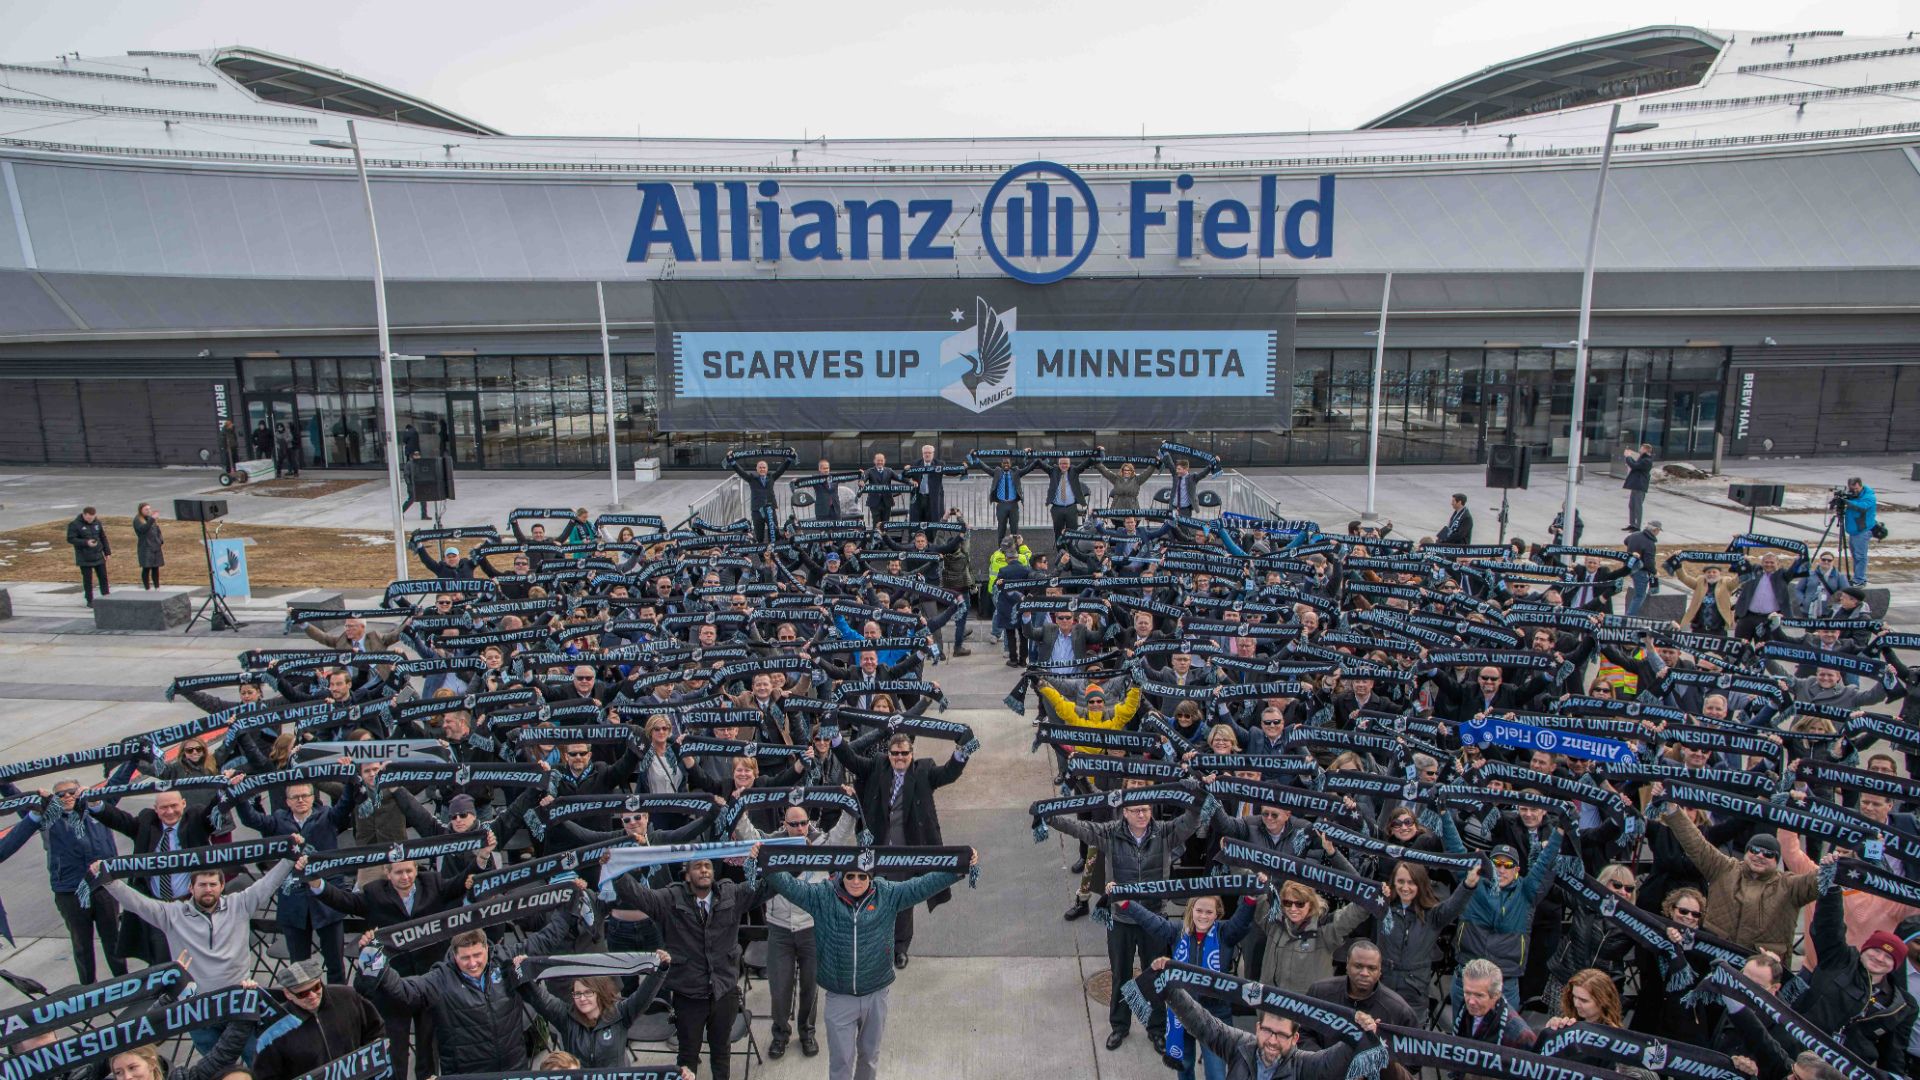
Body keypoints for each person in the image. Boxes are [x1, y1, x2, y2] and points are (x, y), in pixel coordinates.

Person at [759, 844, 975, 1080]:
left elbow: (922, 886)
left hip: (876, 995)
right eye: (850, 875)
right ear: (841, 875)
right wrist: (763, 859)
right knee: (841, 1063)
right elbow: (789, 886)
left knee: (869, 1058)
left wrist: (958, 867)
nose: (855, 881)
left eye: (862, 876)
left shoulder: (888, 894)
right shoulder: (822, 897)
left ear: (870, 877)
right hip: (839, 997)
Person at [94, 844, 306, 1056]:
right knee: (214, 1069)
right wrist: (109, 881)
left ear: (222, 886)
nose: (208, 889)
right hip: (197, 1008)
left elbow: (268, 884)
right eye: (202, 885)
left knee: (256, 1059)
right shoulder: (171, 914)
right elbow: (137, 903)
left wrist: (290, 855)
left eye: (213, 884)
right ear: (191, 888)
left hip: (239, 1001)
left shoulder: (241, 904)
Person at [1046, 781, 1205, 1051]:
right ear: (1124, 813)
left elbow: (1192, 819)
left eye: (1145, 810)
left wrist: (1198, 795)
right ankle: (1120, 1027)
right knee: (1120, 975)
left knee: (1156, 975)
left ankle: (1156, 1029)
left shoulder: (1166, 833)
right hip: (1120, 920)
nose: (1142, 815)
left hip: (1154, 919)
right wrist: (1049, 817)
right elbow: (1080, 828)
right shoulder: (1110, 833)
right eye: (1136, 810)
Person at [733, 794, 859, 1059]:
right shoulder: (771, 846)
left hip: (813, 929)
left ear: (809, 823)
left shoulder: (824, 843)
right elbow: (746, 833)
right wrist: (740, 804)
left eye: (803, 823)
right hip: (779, 929)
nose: (799, 828)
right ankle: (780, 1033)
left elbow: (847, 825)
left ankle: (807, 1031)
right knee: (779, 989)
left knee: (810, 988)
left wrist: (849, 799)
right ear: (784, 824)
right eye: (794, 824)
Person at [618, 859, 769, 1080]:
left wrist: (787, 856)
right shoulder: (670, 899)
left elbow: (770, 885)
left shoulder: (732, 894)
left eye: (708, 865)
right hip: (688, 996)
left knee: (721, 1053)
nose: (704, 870)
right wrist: (617, 871)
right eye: (697, 866)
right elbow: (639, 896)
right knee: (687, 1058)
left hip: (724, 992)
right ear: (687, 874)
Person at [835, 731, 971, 969]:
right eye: (895, 753)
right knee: (871, 897)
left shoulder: (924, 770)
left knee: (903, 900)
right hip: (876, 848)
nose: (899, 758)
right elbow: (851, 760)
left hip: (908, 850)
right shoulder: (877, 765)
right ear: (888, 754)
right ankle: (874, 946)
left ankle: (900, 948)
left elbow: (949, 772)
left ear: (912, 753)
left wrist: (964, 749)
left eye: (904, 753)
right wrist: (834, 737)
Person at [1650, 786, 1819, 960]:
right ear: (1746, 852)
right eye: (1754, 850)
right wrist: (1672, 809)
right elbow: (1696, 844)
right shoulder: (1724, 868)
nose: (1759, 856)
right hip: (1715, 961)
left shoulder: (1789, 885)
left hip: (1760, 972)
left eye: (1768, 854)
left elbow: (1819, 881)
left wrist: (1839, 863)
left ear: (1777, 862)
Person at [355, 925, 531, 1076]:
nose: (473, 963)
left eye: (477, 955)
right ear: (454, 956)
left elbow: (546, 939)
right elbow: (403, 991)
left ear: (486, 948)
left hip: (513, 1069)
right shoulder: (439, 979)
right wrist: (373, 955)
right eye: (465, 957)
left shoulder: (504, 962)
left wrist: (559, 900)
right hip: (466, 1076)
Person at [1795, 858, 1914, 1075]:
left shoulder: (1901, 1004)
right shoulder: (1839, 958)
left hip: (1846, 1072)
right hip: (1800, 1053)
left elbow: (1892, 1055)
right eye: (1876, 950)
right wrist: (1832, 886)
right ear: (1865, 948)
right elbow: (1828, 926)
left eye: (1888, 957)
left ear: (1895, 966)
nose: (1879, 958)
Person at [1121, 891, 1258, 1080]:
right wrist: (1126, 902)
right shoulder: (1177, 931)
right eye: (1199, 910)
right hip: (1182, 1014)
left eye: (1209, 912)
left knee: (1216, 1074)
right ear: (1191, 910)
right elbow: (1152, 922)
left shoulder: (1225, 934)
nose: (1203, 916)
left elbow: (1242, 921)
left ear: (1217, 913)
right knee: (1184, 1067)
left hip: (1215, 1017)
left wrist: (1250, 898)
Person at [1156, 965, 1380, 1080]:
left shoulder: (1305, 1066)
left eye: (1282, 1035)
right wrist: (1169, 987)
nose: (1272, 1041)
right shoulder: (1239, 1045)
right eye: (1268, 1031)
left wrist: (1359, 1032)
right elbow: (1201, 1022)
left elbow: (1334, 1061)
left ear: (1295, 1039)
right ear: (1257, 1028)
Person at [511, 950, 672, 1068]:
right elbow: (540, 999)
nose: (582, 998)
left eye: (588, 992)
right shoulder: (565, 1016)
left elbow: (643, 996)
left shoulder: (621, 1013)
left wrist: (661, 969)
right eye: (577, 993)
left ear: (599, 992)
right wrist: (523, 969)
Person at [251, 958, 386, 1080]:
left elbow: (375, 1029)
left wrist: (374, 1051)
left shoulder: (346, 997)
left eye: (316, 987)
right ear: (288, 994)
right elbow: (265, 1074)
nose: (312, 996)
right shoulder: (275, 1026)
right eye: (303, 993)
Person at [66, 506, 110, 606]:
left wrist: (107, 552)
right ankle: (89, 600)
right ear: (84, 515)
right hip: (84, 557)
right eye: (89, 518)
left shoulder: (97, 523)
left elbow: (103, 537)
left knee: (103, 577)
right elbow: (70, 539)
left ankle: (106, 596)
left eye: (93, 517)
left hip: (98, 555)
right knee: (88, 579)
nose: (91, 520)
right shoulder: (75, 524)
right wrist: (86, 542)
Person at [1838, 476, 1876, 585]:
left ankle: (1859, 579)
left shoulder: (1869, 496)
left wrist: (1847, 501)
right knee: (1855, 555)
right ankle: (1857, 578)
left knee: (1860, 556)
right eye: (1852, 489)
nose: (1854, 491)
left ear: (1861, 485)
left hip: (1862, 530)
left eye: (1856, 489)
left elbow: (1862, 506)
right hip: (1854, 530)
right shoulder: (1851, 495)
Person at [1624, 520, 1660, 616]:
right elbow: (1649, 563)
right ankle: (1629, 617)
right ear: (1655, 530)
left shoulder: (1635, 534)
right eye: (1659, 530)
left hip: (1630, 567)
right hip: (1640, 571)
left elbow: (1626, 541)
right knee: (1640, 596)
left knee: (1637, 593)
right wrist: (1655, 572)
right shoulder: (1650, 544)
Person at [1621, 442, 1653, 530]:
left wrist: (1628, 457)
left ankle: (1637, 526)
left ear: (1646, 450)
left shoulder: (1647, 460)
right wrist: (1630, 457)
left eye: (1641, 448)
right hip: (1636, 485)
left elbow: (1634, 466)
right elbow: (1635, 463)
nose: (1640, 450)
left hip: (1640, 486)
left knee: (1638, 506)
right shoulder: (1642, 458)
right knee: (1632, 505)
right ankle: (1632, 524)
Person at [132, 503, 165, 589]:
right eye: (146, 509)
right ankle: (147, 587)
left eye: (149, 509)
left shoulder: (150, 519)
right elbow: (143, 529)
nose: (148, 511)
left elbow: (157, 530)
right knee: (146, 568)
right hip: (145, 547)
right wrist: (152, 519)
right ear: (141, 510)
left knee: (155, 568)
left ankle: (157, 586)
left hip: (155, 546)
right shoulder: (137, 520)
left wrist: (160, 540)